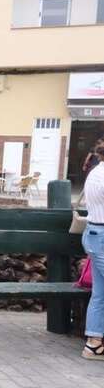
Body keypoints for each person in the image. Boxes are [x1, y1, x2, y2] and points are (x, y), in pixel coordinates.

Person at [82, 143, 104, 360]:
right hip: (102, 236)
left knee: (100, 293)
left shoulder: (96, 172)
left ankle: (94, 344)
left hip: (94, 234)